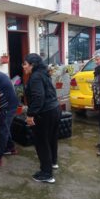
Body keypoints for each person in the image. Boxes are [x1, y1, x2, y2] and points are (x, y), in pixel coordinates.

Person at [22, 53, 61, 184]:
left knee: (42, 143)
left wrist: (30, 115)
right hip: (54, 109)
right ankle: (53, 162)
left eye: (25, 64)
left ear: (32, 65)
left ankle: (46, 174)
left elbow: (39, 97)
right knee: (51, 139)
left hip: (44, 113)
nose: (23, 67)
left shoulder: (35, 77)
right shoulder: (44, 74)